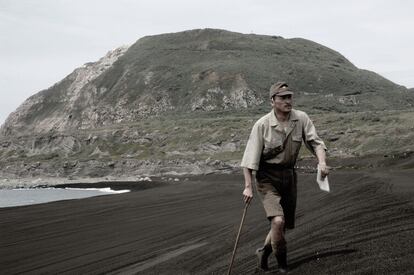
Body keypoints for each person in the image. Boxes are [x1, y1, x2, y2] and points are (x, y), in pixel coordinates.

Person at [240, 81, 329, 273]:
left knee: (282, 225)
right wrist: (248, 186)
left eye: (289, 97)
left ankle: (263, 252)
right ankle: (282, 266)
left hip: (289, 176)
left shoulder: (301, 118)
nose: (288, 101)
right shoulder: (262, 125)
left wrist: (321, 162)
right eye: (282, 98)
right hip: (266, 178)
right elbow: (248, 161)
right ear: (272, 100)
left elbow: (316, 143)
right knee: (278, 221)